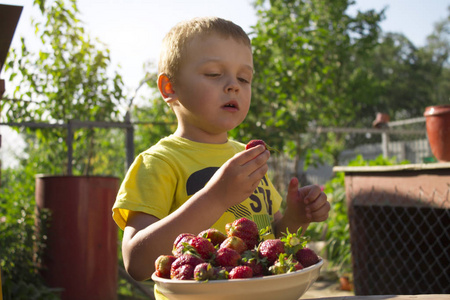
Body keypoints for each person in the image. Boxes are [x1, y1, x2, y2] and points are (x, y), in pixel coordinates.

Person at [112, 17, 330, 284]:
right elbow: (137, 262)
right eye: (214, 74)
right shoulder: (158, 162)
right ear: (169, 88)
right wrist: (216, 197)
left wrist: (297, 217)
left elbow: (269, 243)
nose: (233, 85)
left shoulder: (247, 158)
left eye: (244, 78)